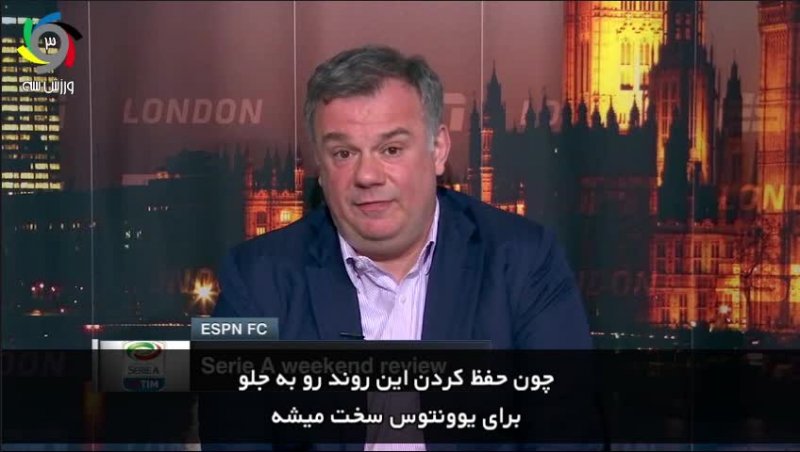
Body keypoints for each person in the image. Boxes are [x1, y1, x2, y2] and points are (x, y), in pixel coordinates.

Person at [200, 45, 595, 450]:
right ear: (320, 165)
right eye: (343, 153)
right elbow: (230, 437)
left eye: (391, 149)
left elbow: (568, 432)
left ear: (438, 149)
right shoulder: (252, 278)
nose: (367, 175)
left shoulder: (527, 259)